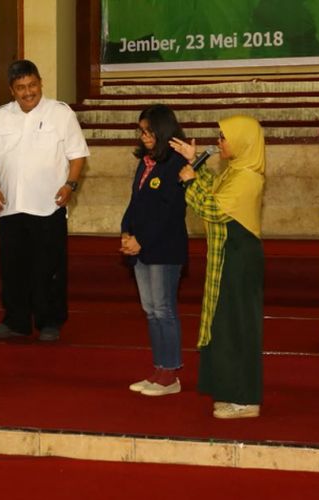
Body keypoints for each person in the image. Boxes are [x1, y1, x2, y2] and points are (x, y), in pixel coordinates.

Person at [0, 59, 89, 342]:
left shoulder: (61, 113)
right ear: (11, 90)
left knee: (48, 268)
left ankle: (49, 322)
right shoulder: (1, 116)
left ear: (40, 83)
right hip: (10, 207)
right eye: (21, 88)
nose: (28, 92)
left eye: (32, 85)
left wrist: (70, 184)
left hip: (48, 206)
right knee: (13, 269)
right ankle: (16, 321)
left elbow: (77, 155)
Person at [172, 115, 265, 419]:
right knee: (223, 325)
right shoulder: (235, 171)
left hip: (239, 259)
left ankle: (245, 399)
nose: (219, 142)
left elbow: (212, 208)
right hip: (229, 255)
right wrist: (194, 161)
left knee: (236, 326)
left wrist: (189, 182)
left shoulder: (248, 177)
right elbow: (214, 189)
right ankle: (229, 391)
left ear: (242, 141)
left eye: (224, 137)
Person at [120, 105, 188, 397]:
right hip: (141, 248)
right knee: (151, 312)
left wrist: (141, 240)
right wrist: (125, 231)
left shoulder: (175, 163)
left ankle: (171, 373)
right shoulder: (145, 162)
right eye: (141, 131)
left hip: (164, 249)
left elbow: (168, 211)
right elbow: (136, 202)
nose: (144, 136)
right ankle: (159, 369)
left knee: (164, 310)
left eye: (148, 131)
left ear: (162, 130)